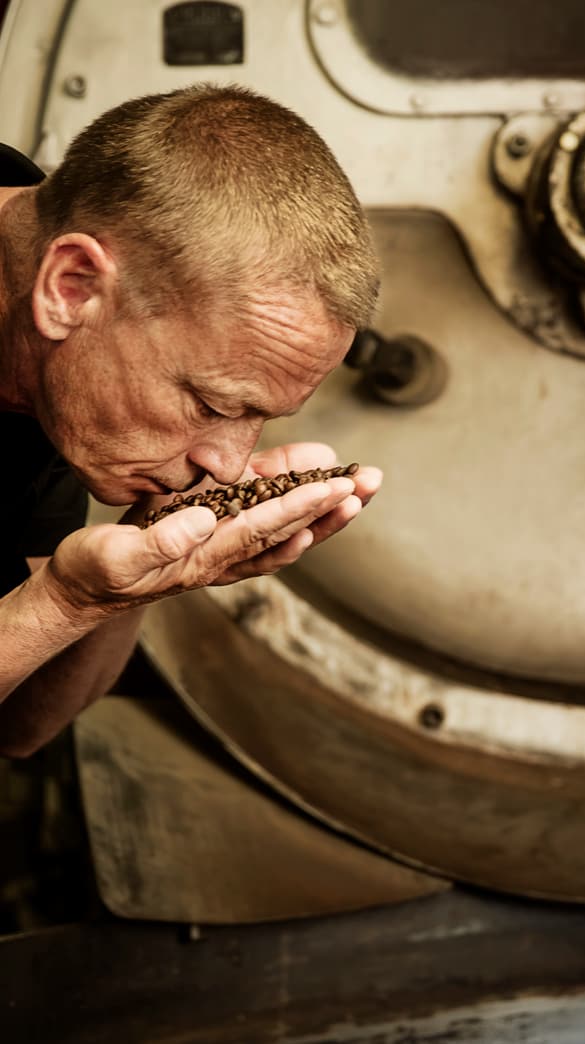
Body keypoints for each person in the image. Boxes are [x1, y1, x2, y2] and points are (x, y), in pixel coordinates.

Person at [0, 83, 381, 758]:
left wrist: (156, 551)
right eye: (212, 406)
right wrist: (61, 605)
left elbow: (19, 727)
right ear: (72, 287)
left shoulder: (56, 378)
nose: (227, 465)